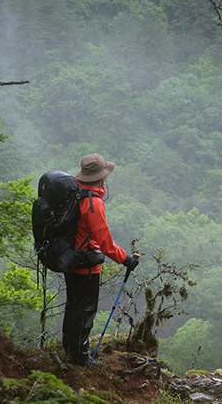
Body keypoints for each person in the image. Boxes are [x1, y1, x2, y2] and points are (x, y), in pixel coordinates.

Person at [62, 153, 139, 366]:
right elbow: (105, 243)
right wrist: (126, 259)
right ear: (100, 178)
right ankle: (80, 358)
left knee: (73, 307)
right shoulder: (93, 203)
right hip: (85, 265)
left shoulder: (72, 192)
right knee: (85, 311)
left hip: (69, 259)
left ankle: (70, 349)